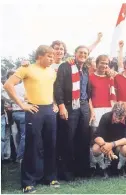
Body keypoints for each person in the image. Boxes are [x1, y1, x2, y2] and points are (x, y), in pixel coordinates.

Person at [4, 45, 59, 193]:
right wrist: (22, 104)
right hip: (34, 110)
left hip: (49, 110)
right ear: (40, 56)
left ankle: (50, 177)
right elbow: (8, 85)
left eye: (53, 57)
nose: (52, 59)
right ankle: (28, 182)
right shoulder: (26, 68)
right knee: (33, 145)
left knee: (50, 145)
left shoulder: (52, 72)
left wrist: (54, 103)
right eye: (49, 56)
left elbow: (50, 89)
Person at [54, 45, 94, 181]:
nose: (83, 54)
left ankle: (81, 170)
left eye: (85, 53)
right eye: (80, 52)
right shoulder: (65, 66)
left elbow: (87, 93)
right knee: (67, 139)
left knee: (83, 138)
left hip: (83, 106)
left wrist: (90, 109)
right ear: (75, 53)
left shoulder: (86, 69)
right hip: (69, 105)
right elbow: (58, 87)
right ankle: (67, 173)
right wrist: (61, 106)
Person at [90, 102, 126, 178]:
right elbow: (96, 136)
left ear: (125, 115)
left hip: (119, 144)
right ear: (113, 111)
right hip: (105, 142)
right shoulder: (105, 117)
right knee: (95, 148)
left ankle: (120, 168)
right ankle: (102, 168)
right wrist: (105, 146)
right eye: (115, 116)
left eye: (120, 118)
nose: (117, 119)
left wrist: (112, 144)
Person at [89, 55, 116, 130]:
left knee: (108, 136)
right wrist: (92, 111)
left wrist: (113, 112)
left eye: (106, 64)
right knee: (95, 134)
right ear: (97, 64)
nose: (104, 65)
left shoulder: (110, 78)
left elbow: (112, 96)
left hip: (108, 110)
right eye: (102, 63)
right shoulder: (90, 77)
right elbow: (88, 97)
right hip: (95, 110)